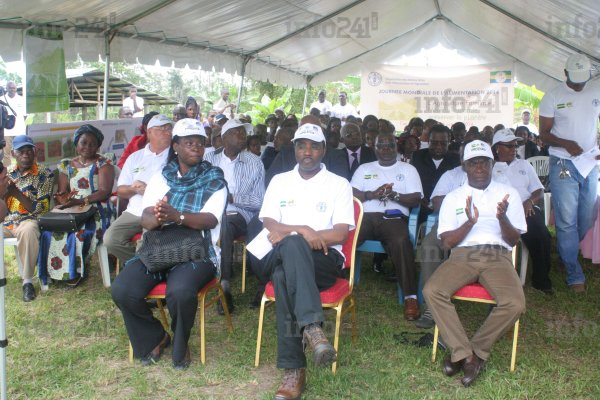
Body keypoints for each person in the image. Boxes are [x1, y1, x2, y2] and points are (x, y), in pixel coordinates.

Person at [112, 118, 227, 370]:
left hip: (198, 251)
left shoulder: (214, 178)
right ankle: (155, 337)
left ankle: (181, 342)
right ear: (175, 146)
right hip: (159, 248)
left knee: (180, 291)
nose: (196, 147)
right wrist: (159, 216)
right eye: (188, 142)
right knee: (122, 289)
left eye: (200, 142)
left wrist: (177, 216)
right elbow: (146, 219)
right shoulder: (161, 178)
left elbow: (210, 219)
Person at [254, 123, 354, 400]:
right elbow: (268, 223)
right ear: (294, 149)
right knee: (293, 245)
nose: (307, 152)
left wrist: (294, 235)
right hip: (280, 252)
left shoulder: (339, 184)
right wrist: (303, 230)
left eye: (314, 146)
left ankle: (294, 370)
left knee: (283, 276)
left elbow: (339, 234)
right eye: (301, 146)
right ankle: (313, 329)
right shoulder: (280, 180)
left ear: (324, 150)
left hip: (324, 259)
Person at [423, 140, 526, 387]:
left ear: (492, 164)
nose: (479, 167)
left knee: (515, 303)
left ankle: (475, 351)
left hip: (497, 255)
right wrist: (469, 223)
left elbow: (513, 241)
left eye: (484, 162)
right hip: (463, 255)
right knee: (432, 291)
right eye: (473, 163)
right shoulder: (453, 197)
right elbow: (447, 242)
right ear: (465, 166)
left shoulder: (508, 193)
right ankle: (463, 353)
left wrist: (503, 218)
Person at [539, 53, 600, 292]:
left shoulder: (596, 90)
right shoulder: (553, 96)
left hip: (590, 162)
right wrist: (566, 143)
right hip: (563, 163)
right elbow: (543, 134)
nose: (580, 83)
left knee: (587, 216)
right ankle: (574, 274)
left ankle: (568, 252)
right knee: (566, 221)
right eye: (575, 78)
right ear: (565, 73)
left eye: (583, 78)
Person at [351, 132, 423, 320]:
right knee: (346, 236)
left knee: (401, 241)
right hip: (365, 217)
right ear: (374, 148)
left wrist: (394, 195)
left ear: (396, 147)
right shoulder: (364, 168)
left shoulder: (408, 169)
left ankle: (410, 297)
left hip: (393, 218)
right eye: (381, 145)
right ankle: (335, 283)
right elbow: (351, 193)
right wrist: (372, 195)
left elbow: (416, 198)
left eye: (390, 145)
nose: (386, 149)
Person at [38, 125, 115, 286]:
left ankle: (75, 271)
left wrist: (81, 201)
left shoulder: (103, 163)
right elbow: (63, 192)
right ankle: (56, 272)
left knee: (79, 232)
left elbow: (104, 192)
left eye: (92, 144)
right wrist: (62, 199)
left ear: (98, 146)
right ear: (76, 144)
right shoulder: (67, 165)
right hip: (73, 208)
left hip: (97, 209)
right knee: (52, 230)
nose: (87, 147)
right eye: (83, 143)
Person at [204, 119, 265, 314]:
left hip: (240, 214)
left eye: (244, 133)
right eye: (237, 132)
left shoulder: (255, 162)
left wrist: (233, 197)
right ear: (224, 138)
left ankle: (224, 285)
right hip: (209, 210)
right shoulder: (208, 159)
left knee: (225, 223)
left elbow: (260, 200)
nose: (243, 136)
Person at [105, 114, 173, 264]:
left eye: (169, 128)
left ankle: (141, 267)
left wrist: (150, 191)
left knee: (145, 244)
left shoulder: (175, 157)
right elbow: (121, 190)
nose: (167, 132)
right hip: (134, 211)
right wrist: (134, 189)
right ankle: (139, 265)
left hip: (158, 210)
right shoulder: (135, 157)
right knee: (110, 239)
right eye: (161, 129)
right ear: (149, 132)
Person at [492, 128, 553, 294]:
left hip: (526, 208)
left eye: (515, 146)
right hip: (499, 212)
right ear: (497, 148)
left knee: (542, 236)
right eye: (509, 146)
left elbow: (538, 190)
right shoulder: (489, 166)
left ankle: (541, 281)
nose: (514, 149)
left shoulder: (524, 164)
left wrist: (529, 201)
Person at [3, 135, 55, 301]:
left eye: (29, 151)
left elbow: (41, 209)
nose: (25, 155)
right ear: (13, 153)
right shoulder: (6, 173)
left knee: (29, 230)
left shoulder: (44, 174)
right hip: (7, 221)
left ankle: (27, 282)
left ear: (35, 152)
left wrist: (15, 192)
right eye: (21, 151)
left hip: (29, 220)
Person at [2, 81, 27, 166]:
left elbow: (25, 116)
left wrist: (18, 123)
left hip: (19, 130)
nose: (12, 90)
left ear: (16, 89)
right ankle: (7, 171)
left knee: (21, 152)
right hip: (6, 132)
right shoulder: (1, 99)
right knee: (6, 154)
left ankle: (20, 169)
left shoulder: (21, 99)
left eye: (14, 88)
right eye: (10, 88)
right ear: (6, 88)